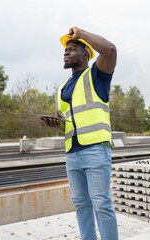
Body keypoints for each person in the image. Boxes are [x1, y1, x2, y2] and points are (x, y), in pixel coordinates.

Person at [42, 27, 118, 240]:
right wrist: (55, 126)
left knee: (101, 204)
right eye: (66, 50)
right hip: (72, 154)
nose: (66, 52)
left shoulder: (97, 76)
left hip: (95, 150)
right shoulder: (62, 89)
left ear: (86, 54)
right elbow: (70, 124)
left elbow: (110, 50)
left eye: (72, 48)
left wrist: (81, 34)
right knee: (81, 204)